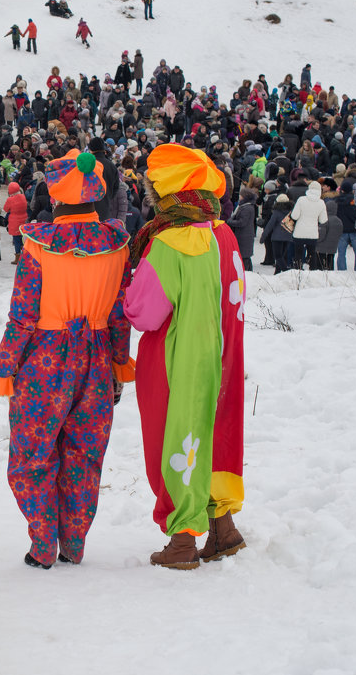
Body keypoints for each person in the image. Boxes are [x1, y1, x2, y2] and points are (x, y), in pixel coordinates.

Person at [0, 149, 133, 568]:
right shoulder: (117, 242)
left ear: (56, 195)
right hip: (97, 359)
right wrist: (119, 367)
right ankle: (74, 543)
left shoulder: (38, 244)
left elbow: (22, 317)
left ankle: (43, 543)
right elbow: (120, 314)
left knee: (33, 454)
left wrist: (1, 374)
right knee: (85, 455)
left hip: (45, 360)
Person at [124, 145, 246, 570]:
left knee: (175, 440)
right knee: (207, 433)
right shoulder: (220, 233)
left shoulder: (171, 241)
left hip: (173, 359)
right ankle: (222, 528)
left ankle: (181, 541)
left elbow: (144, 312)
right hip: (215, 355)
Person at [289, 179, 326, 268]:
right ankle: (312, 272)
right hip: (313, 233)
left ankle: (298, 271)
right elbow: (323, 220)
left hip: (299, 232)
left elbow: (294, 216)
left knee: (298, 255)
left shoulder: (301, 200)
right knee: (312, 255)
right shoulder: (321, 203)